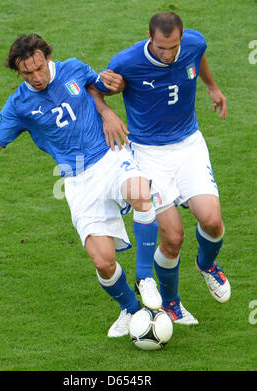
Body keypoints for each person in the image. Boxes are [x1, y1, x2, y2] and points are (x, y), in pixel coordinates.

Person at [0, 33, 161, 337]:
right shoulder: (18, 105)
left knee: (140, 192)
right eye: (27, 73)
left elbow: (99, 88)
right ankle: (131, 310)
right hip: (77, 178)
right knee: (103, 261)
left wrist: (110, 101)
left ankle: (145, 276)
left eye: (39, 68)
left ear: (47, 57)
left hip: (109, 154)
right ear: (18, 71)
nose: (36, 77)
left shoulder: (73, 67)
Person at [93, 12, 231, 324]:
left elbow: (200, 58)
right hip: (147, 153)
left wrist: (211, 87)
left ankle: (207, 265)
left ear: (182, 38)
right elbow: (95, 89)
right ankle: (171, 304)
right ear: (149, 37)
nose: (168, 54)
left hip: (188, 146)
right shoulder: (127, 62)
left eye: (173, 47)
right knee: (173, 236)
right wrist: (107, 112)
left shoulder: (194, 43)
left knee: (211, 220)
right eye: (161, 48)